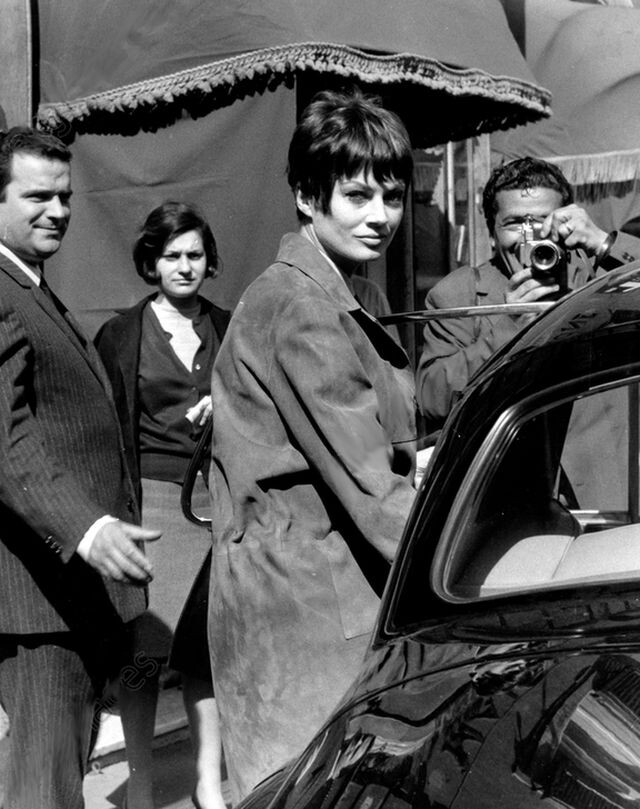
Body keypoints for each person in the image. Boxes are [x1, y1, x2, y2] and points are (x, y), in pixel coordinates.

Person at [207, 88, 417, 801]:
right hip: (306, 616)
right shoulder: (303, 307)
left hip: (304, 601)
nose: (381, 215)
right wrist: (458, 569)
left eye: (393, 196)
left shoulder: (322, 292)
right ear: (305, 196)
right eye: (357, 195)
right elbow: (374, 487)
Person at [0, 128, 161, 809]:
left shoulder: (31, 286)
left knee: (57, 778)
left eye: (65, 197)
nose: (58, 211)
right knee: (43, 788)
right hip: (40, 601)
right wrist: (88, 529)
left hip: (65, 596)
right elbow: (5, 442)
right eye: (38, 196)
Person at [95, 202, 230, 809]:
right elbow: (102, 430)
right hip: (149, 508)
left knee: (206, 654)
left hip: (216, 504)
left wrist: (228, 405)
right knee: (143, 658)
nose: (184, 266)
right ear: (151, 263)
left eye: (194, 255)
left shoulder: (229, 327)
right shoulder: (122, 335)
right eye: (171, 255)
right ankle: (142, 783)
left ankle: (206, 783)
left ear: (209, 261)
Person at [416, 156, 640, 427]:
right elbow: (432, 400)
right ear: (492, 233)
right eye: (515, 223)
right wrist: (509, 329)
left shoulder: (599, 277)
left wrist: (603, 243)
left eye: (545, 220)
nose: (532, 236)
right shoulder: (459, 292)